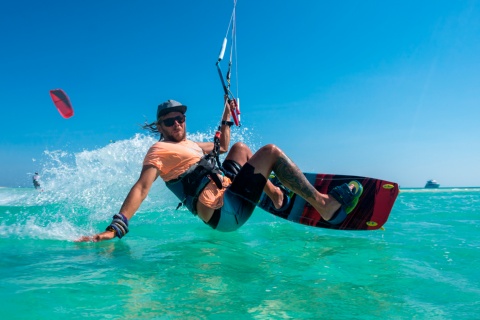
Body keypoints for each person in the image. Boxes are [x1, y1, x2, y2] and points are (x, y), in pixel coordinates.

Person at [76, 98, 361, 242]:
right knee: (270, 152)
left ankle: (274, 195)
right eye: (170, 121)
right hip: (223, 214)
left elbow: (221, 146)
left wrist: (226, 115)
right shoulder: (158, 151)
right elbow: (141, 187)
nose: (177, 124)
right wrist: (117, 227)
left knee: (239, 147)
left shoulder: (189, 144)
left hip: (227, 195)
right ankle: (323, 205)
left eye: (180, 118)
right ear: (160, 126)